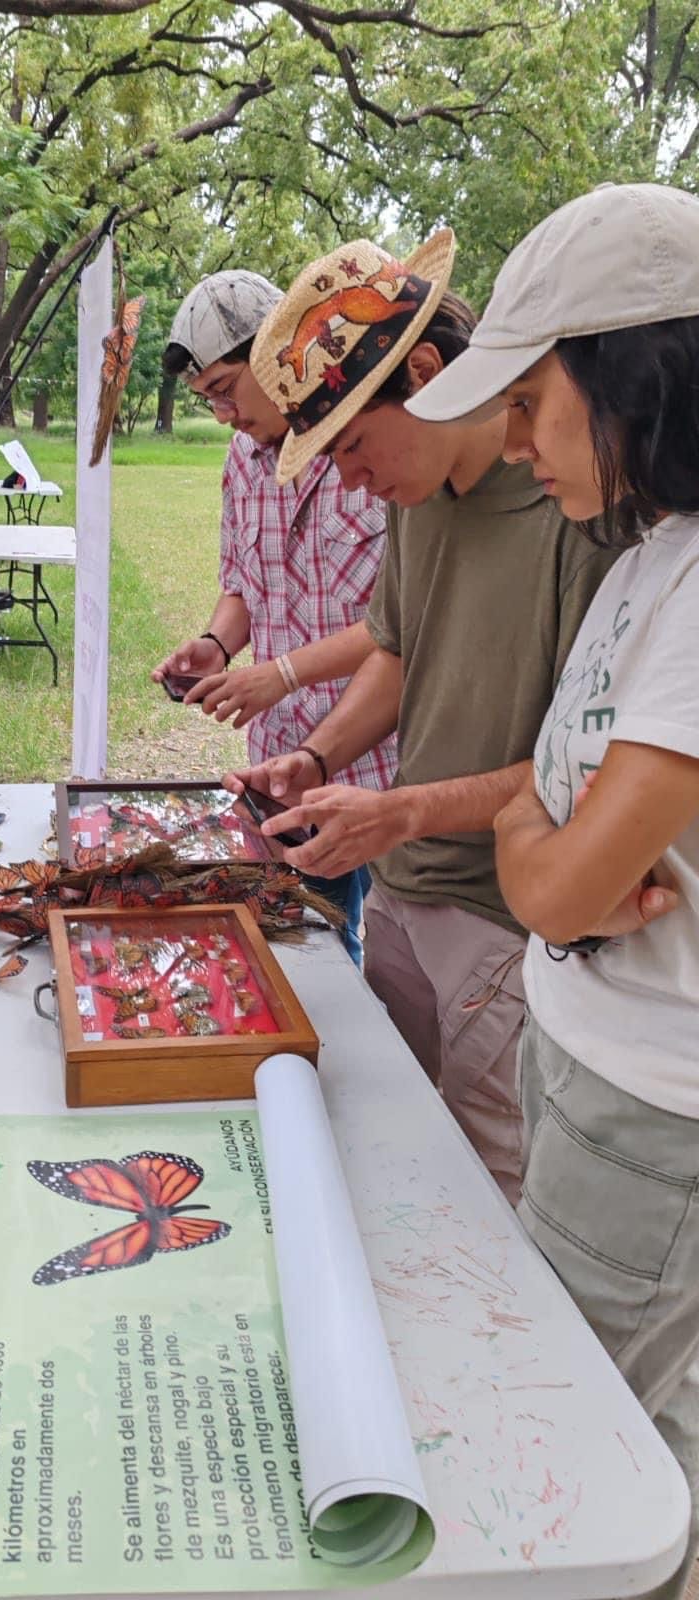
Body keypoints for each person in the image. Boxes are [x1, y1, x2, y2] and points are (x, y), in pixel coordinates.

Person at [409, 180, 699, 1600]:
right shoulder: (649, 559)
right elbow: (544, 802)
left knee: (568, 1447)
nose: (517, 442)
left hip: (654, 1104)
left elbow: (568, 878)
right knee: (645, 1419)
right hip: (586, 1056)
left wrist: (542, 862)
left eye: (534, 402)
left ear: (634, 380)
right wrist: (545, 851)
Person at [226, 231, 616, 1203]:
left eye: (352, 444)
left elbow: (597, 774)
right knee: (383, 1150)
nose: (347, 480)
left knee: (493, 1194)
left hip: (508, 919)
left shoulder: (576, 507)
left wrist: (402, 810)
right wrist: (316, 759)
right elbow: (398, 653)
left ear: (430, 372)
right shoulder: (420, 492)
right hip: (406, 887)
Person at [152, 269, 394, 965]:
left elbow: (403, 622)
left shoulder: (364, 438)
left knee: (399, 950)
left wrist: (282, 674)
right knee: (311, 939)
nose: (223, 414)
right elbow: (244, 584)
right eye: (206, 401)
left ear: (276, 354)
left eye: (225, 391)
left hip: (384, 759)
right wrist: (214, 644)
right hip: (284, 763)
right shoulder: (242, 459)